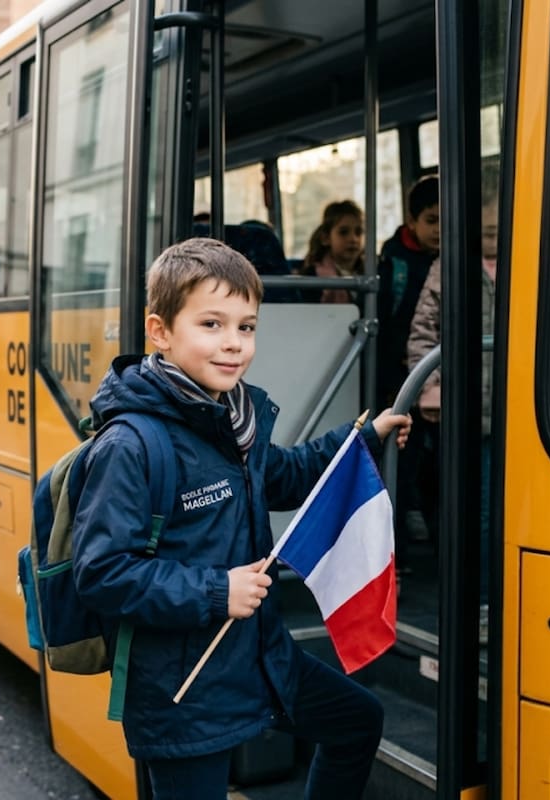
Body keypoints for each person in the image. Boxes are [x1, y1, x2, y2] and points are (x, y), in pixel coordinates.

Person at [71, 237, 412, 800]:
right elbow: (102, 573)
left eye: (246, 327)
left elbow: (285, 475)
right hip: (184, 693)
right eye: (212, 324)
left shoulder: (235, 419)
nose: (233, 343)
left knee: (357, 721)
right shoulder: (131, 444)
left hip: (257, 657)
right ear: (160, 331)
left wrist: (362, 439)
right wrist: (217, 590)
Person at [407, 176, 500, 608]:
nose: (494, 240)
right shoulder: (449, 267)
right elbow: (423, 335)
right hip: (469, 408)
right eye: (486, 232)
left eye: (499, 230)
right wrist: (429, 389)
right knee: (479, 509)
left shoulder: (528, 259)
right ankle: (479, 598)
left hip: (520, 410)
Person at [378, 176, 440, 560]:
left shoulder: (453, 258)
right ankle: (395, 548)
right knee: (402, 463)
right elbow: (386, 321)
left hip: (438, 379)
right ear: (412, 221)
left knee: (436, 465)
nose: (440, 230)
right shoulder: (394, 262)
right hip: (400, 377)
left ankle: (438, 543)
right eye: (431, 220)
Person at [297, 200, 365, 304]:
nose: (353, 239)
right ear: (326, 238)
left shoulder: (369, 273)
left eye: (358, 232)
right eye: (343, 232)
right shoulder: (313, 276)